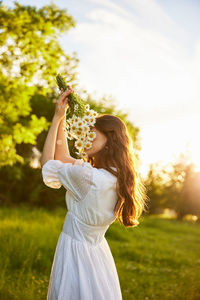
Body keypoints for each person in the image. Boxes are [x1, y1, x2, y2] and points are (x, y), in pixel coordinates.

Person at [41, 86, 148, 300]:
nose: (85, 137)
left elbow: (49, 162)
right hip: (98, 257)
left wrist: (56, 118)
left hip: (75, 254)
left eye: (92, 134)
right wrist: (63, 118)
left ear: (109, 140)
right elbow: (63, 156)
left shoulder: (87, 177)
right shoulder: (117, 177)